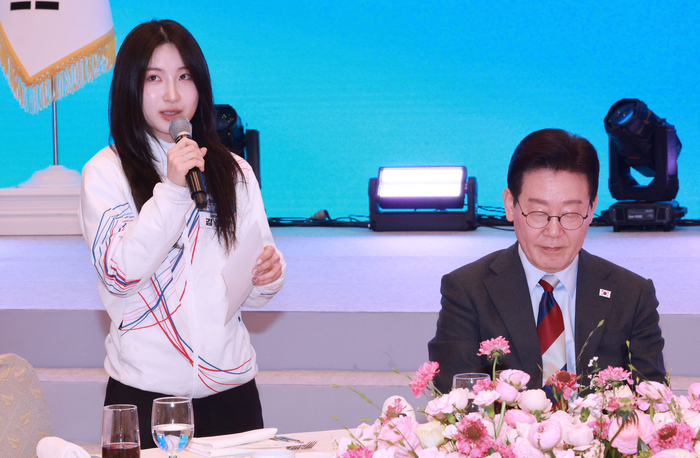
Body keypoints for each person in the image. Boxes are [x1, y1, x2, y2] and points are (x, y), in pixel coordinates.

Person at [79, 19, 285, 448]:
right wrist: (173, 191)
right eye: (154, 78)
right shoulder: (106, 172)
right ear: (130, 87)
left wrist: (267, 276)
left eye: (184, 77)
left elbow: (251, 288)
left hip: (231, 392)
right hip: (144, 394)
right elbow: (120, 273)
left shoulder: (234, 171)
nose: (172, 95)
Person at [428, 128, 665, 395]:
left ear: (591, 209)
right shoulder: (467, 290)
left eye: (571, 213)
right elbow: (456, 399)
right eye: (538, 213)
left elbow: (652, 402)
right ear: (510, 204)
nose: (554, 232)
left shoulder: (632, 294)